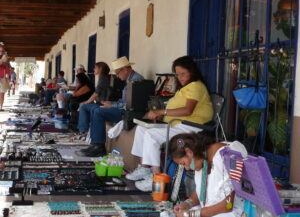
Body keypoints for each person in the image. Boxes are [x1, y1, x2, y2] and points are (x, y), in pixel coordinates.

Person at [126, 56, 213, 192]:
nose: (180, 77)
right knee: (142, 129)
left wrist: (162, 111)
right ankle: (144, 168)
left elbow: (188, 110)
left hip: (192, 127)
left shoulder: (196, 86)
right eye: (178, 75)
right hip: (177, 125)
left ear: (192, 71)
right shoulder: (184, 88)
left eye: (183, 74)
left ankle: (156, 177)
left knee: (151, 135)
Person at [77, 56, 144, 157]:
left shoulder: (136, 80)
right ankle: (95, 144)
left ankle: (98, 147)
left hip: (129, 113)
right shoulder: (130, 79)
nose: (117, 76)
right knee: (96, 110)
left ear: (125, 69)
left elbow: (131, 104)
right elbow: (125, 100)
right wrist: (111, 103)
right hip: (124, 109)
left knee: (98, 112)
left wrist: (112, 104)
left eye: (117, 73)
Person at [169, 133, 247, 217]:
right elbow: (202, 192)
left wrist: (191, 214)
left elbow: (228, 205)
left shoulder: (227, 156)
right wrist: (187, 204)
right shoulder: (201, 158)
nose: (187, 168)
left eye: (184, 163)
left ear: (189, 152)